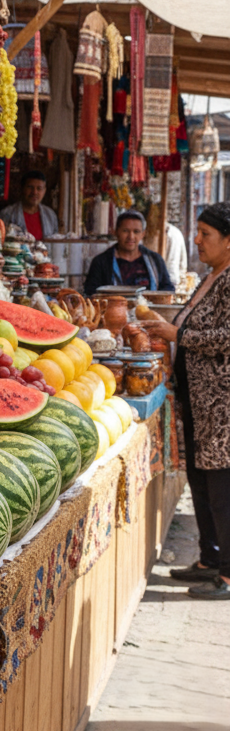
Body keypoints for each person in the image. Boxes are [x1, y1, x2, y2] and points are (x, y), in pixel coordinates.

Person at [140, 202, 230, 599]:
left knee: (222, 488)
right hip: (199, 400)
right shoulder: (213, 275)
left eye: (206, 234)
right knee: (202, 481)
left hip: (221, 405)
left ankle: (228, 575)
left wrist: (179, 336)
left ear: (229, 240)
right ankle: (210, 558)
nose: (197, 240)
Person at [82, 210, 174, 297]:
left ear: (143, 234)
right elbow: (90, 293)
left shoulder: (155, 260)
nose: (131, 236)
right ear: (116, 232)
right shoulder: (101, 262)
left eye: (136, 231)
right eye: (125, 231)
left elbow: (168, 289)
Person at [0, 171, 59, 240]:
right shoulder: (7, 214)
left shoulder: (50, 216)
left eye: (39, 188)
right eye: (30, 187)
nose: (34, 192)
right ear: (22, 188)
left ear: (44, 191)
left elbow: (55, 242)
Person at [164, 222, 188, 288]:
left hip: (168, 280)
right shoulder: (177, 232)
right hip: (174, 278)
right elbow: (183, 263)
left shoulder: (164, 233)